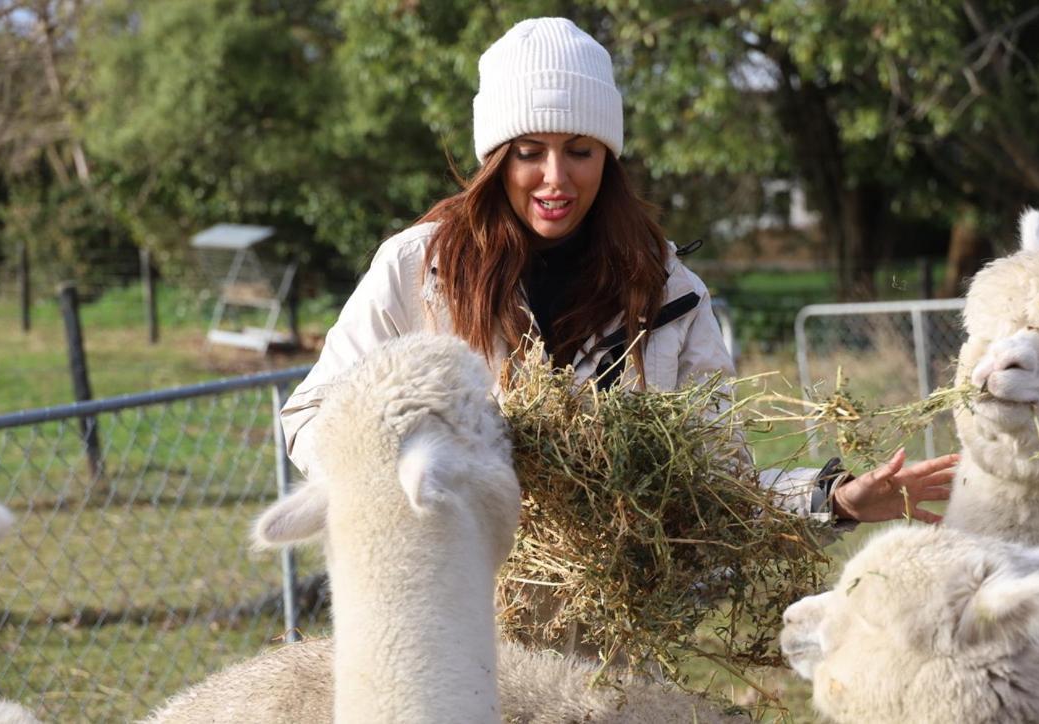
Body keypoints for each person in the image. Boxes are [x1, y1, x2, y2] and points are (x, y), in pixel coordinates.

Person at [281, 17, 955, 526]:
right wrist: (407, 468)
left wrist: (832, 498)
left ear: (609, 156)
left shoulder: (670, 293)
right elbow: (309, 417)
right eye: (527, 152)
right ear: (496, 160)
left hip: (607, 646)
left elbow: (718, 480)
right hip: (458, 609)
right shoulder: (420, 267)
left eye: (579, 150)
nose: (554, 178)